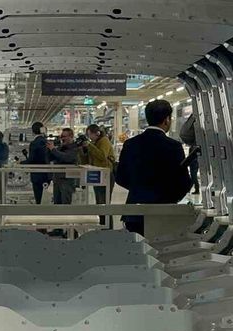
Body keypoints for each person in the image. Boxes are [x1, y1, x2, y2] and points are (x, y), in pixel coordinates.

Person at [115, 99, 193, 236]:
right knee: (163, 247)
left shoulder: (130, 144)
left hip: (135, 212)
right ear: (167, 120)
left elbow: (120, 177)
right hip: (164, 212)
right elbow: (183, 182)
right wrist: (170, 197)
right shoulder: (173, 146)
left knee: (136, 246)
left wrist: (139, 189)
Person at [79, 124, 116, 225]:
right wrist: (83, 150)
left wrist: (90, 146)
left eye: (90, 134)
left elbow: (102, 156)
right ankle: (102, 225)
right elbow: (87, 160)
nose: (89, 137)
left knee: (104, 203)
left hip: (106, 175)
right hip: (98, 174)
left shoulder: (104, 141)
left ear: (97, 133)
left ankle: (108, 227)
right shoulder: (94, 143)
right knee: (99, 202)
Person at [46, 128, 79, 205]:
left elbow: (66, 158)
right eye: (61, 136)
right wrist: (49, 149)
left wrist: (53, 149)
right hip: (57, 179)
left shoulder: (75, 148)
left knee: (65, 204)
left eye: (64, 136)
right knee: (57, 204)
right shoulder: (61, 148)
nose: (62, 139)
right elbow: (50, 158)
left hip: (67, 180)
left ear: (71, 136)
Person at [25, 122, 51, 204]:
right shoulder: (47, 142)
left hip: (36, 174)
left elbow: (31, 159)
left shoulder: (34, 143)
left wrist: (21, 163)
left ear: (32, 131)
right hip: (47, 174)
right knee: (46, 198)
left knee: (39, 198)